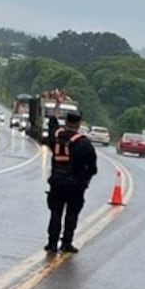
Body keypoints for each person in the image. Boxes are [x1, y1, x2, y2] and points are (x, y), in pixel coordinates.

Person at [45, 106, 97, 254]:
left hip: (56, 182)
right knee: (71, 215)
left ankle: (52, 243)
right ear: (79, 124)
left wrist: (56, 107)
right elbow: (92, 168)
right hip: (75, 186)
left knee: (55, 214)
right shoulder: (84, 144)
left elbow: (52, 126)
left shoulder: (56, 138)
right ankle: (67, 243)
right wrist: (84, 181)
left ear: (66, 122)